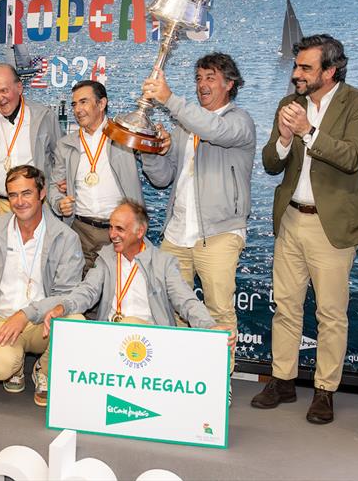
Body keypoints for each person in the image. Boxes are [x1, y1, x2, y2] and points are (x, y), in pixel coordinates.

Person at [252, 34, 358, 424]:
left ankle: (325, 390)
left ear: (331, 70)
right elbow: (272, 164)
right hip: (291, 218)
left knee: (330, 313)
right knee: (286, 307)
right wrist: (286, 139)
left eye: (306, 68)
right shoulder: (287, 105)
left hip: (331, 226)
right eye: (296, 67)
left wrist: (308, 131)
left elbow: (353, 157)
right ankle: (283, 380)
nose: (296, 75)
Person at [37, 200, 237, 401]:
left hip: (151, 345)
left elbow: (186, 301)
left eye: (120, 229)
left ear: (140, 231)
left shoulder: (163, 262)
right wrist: (63, 307)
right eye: (111, 227)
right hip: (110, 340)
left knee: (130, 324)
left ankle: (216, 385)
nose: (112, 234)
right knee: (73, 319)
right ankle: (46, 372)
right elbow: (87, 291)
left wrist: (210, 327)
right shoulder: (106, 258)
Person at [141, 52, 255, 378]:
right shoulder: (184, 126)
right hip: (177, 234)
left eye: (210, 78)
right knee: (172, 309)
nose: (202, 84)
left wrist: (170, 99)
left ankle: (220, 383)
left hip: (219, 234)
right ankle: (179, 378)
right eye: (199, 78)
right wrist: (152, 151)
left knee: (219, 313)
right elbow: (162, 179)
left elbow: (215, 131)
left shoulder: (239, 121)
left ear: (229, 84)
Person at [0, 165, 84, 407]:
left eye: (26, 193)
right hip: (1, 318)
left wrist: (26, 314)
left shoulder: (66, 237)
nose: (19, 201)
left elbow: (67, 294)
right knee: (1, 367)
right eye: (13, 195)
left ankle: (44, 370)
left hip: (43, 321)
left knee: (77, 324)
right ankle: (15, 367)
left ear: (41, 194)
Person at [49, 80, 143, 275]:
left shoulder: (124, 135)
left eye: (83, 102)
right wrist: (60, 203)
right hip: (80, 231)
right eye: (74, 104)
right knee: (81, 296)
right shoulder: (65, 145)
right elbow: (53, 187)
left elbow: (157, 174)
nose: (77, 109)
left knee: (118, 293)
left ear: (101, 104)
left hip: (119, 231)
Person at [0, 63, 63, 222]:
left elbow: (61, 159)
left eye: (4, 91)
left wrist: (56, 192)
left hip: (39, 209)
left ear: (19, 88)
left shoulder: (44, 117)